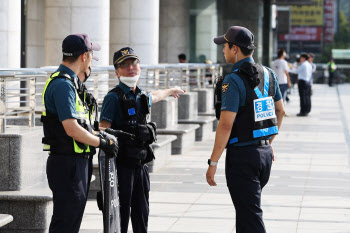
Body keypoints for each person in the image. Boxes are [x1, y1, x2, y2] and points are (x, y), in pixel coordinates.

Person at [206, 26, 285, 233]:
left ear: (235, 49)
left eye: (224, 46)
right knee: (245, 212)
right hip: (264, 155)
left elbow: (225, 124)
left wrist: (213, 162)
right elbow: (280, 111)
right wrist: (268, 142)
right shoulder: (269, 74)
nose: (222, 50)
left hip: (242, 157)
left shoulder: (233, 80)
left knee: (250, 217)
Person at [99, 47, 184, 233]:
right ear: (117, 72)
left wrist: (171, 90)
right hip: (121, 166)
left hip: (141, 165)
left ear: (140, 67)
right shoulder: (113, 98)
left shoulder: (142, 95)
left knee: (141, 212)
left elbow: (156, 95)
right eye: (124, 65)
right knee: (120, 214)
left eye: (134, 63)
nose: (130, 68)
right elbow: (102, 129)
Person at [42, 33, 118, 233]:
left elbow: (81, 125)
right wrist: (101, 144)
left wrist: (101, 135)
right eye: (92, 53)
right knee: (66, 223)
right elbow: (71, 128)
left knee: (71, 220)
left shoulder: (71, 84)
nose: (93, 59)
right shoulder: (63, 85)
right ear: (84, 56)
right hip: (68, 164)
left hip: (75, 163)